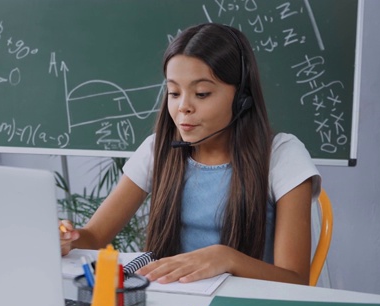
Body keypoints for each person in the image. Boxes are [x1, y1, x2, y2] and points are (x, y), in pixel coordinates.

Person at [59, 23, 321, 285]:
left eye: (202, 93)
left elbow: (295, 280)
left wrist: (226, 258)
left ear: (242, 97)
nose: (183, 107)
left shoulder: (282, 156)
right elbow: (93, 237)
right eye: (174, 92)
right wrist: (67, 240)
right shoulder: (157, 149)